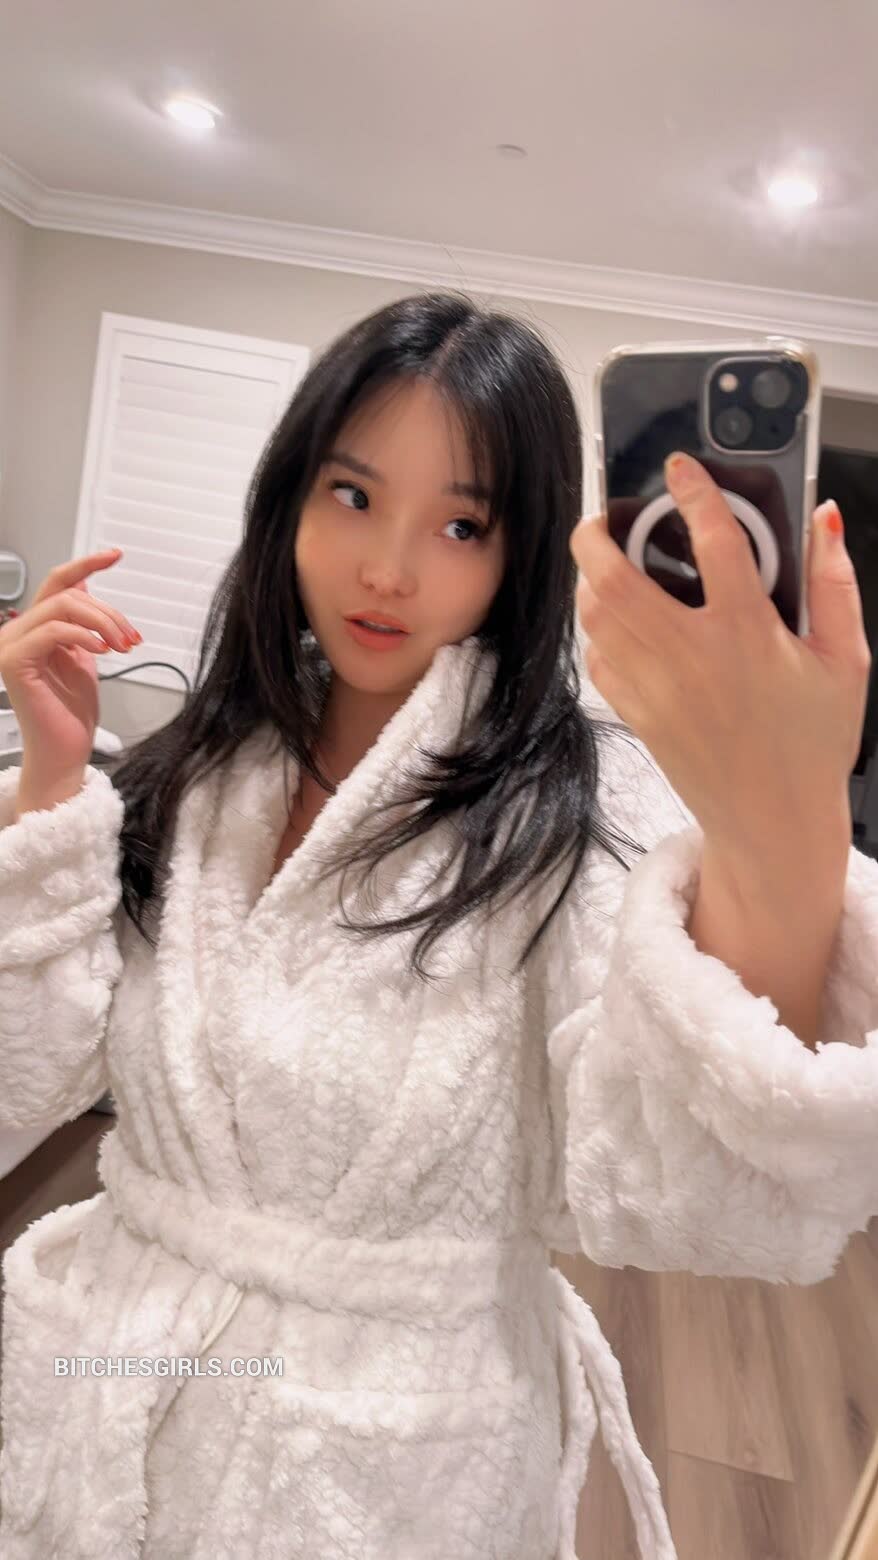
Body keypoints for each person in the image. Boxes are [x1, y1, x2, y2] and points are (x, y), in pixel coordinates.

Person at [0, 290, 876, 1560]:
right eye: (352, 495)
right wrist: (49, 782)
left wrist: (781, 820)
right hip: (103, 1380)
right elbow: (24, 1074)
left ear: (520, 553)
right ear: (290, 496)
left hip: (378, 1466)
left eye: (460, 524)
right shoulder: (195, 771)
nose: (387, 569)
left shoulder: (578, 815)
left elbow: (695, 1194)